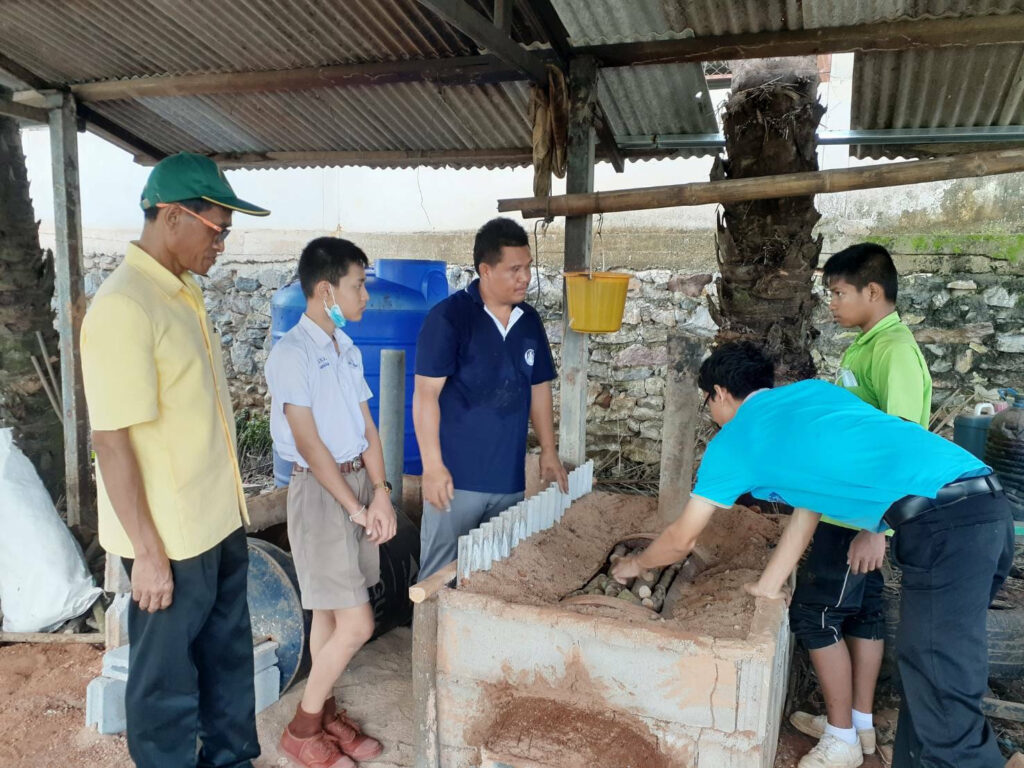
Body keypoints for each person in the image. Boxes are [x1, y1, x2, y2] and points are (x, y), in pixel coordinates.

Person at [611, 342, 1013, 768]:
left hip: (947, 525)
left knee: (945, 701)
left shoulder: (735, 440)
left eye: (708, 401)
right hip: (985, 508)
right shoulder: (814, 395)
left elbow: (681, 540)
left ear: (721, 393)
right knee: (926, 677)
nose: (711, 413)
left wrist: (633, 565)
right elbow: (810, 505)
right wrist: (768, 585)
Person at [81, 152, 269, 768]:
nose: (222, 244)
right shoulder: (125, 306)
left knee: (227, 664)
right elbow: (112, 441)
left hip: (216, 521)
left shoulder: (181, 291)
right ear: (171, 217)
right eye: (217, 229)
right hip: (169, 540)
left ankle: (232, 760)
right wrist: (148, 553)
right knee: (165, 685)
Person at [788, 243, 933, 767]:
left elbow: (903, 444)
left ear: (872, 291)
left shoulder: (893, 351)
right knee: (863, 614)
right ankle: (860, 724)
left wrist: (876, 528)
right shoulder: (867, 346)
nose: (831, 303)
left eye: (838, 292)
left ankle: (841, 738)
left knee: (814, 614)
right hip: (852, 510)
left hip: (857, 516)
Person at [265, 237, 396, 768]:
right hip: (322, 494)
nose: (366, 295)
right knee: (358, 624)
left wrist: (381, 493)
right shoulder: (291, 354)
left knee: (327, 614)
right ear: (326, 291)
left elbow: (368, 428)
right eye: (358, 285)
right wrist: (355, 508)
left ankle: (325, 712)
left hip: (356, 485)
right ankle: (301, 730)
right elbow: (310, 443)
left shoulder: (346, 348)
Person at [413, 217, 568, 579]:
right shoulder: (449, 318)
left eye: (528, 267)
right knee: (438, 579)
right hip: (454, 481)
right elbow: (425, 396)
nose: (525, 277)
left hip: (508, 481)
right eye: (514, 269)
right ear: (485, 270)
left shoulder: (529, 321)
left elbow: (539, 386)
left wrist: (548, 450)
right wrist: (432, 467)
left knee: (493, 577)